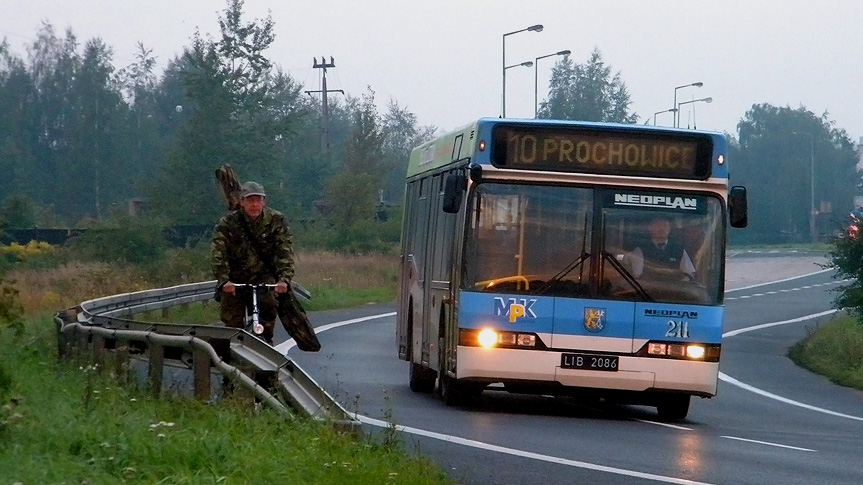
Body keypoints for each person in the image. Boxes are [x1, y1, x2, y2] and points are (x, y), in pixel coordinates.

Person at [211, 181, 294, 345]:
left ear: (264, 201)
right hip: (236, 280)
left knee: (268, 310)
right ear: (242, 202)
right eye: (250, 200)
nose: (255, 204)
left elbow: (284, 252)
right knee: (233, 324)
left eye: (258, 200)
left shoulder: (276, 220)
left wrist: (284, 280)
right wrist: (224, 280)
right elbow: (218, 253)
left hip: (265, 278)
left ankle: (266, 348)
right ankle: (231, 360)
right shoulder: (228, 223)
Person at [625, 215, 695, 279]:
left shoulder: (679, 249)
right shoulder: (640, 249)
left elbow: (688, 273)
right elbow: (637, 275)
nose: (661, 228)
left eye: (665, 225)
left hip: (673, 290)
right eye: (657, 226)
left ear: (670, 229)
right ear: (650, 228)